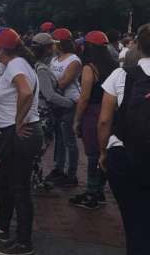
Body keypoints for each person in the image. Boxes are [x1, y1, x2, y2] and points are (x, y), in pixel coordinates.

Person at [97, 23, 150, 255]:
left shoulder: (122, 75)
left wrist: (104, 152)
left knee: (136, 229)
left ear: (138, 47)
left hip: (125, 156)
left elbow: (105, 119)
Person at [0, 28, 43, 255]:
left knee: (19, 188)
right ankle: (4, 226)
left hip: (21, 135)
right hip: (17, 135)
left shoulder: (16, 65)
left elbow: (26, 92)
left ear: (1, 50)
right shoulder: (15, 64)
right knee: (6, 181)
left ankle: (24, 241)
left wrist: (19, 121)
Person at [68, 31, 118, 209]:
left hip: (93, 113)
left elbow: (84, 97)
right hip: (110, 111)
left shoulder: (89, 68)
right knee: (103, 151)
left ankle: (91, 193)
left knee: (92, 154)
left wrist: (76, 120)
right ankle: (99, 191)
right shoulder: (114, 66)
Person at [31, 33, 74, 194]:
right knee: (39, 150)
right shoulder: (41, 68)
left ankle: (36, 180)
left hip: (40, 112)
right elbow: (49, 94)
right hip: (43, 114)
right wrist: (69, 103)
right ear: (47, 48)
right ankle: (37, 182)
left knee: (38, 150)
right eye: (52, 45)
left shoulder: (36, 65)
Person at [47, 28, 82, 187]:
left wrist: (47, 88)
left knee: (68, 140)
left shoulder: (74, 60)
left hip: (69, 101)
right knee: (59, 139)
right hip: (57, 102)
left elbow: (63, 82)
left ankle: (72, 173)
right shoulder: (55, 60)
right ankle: (59, 168)